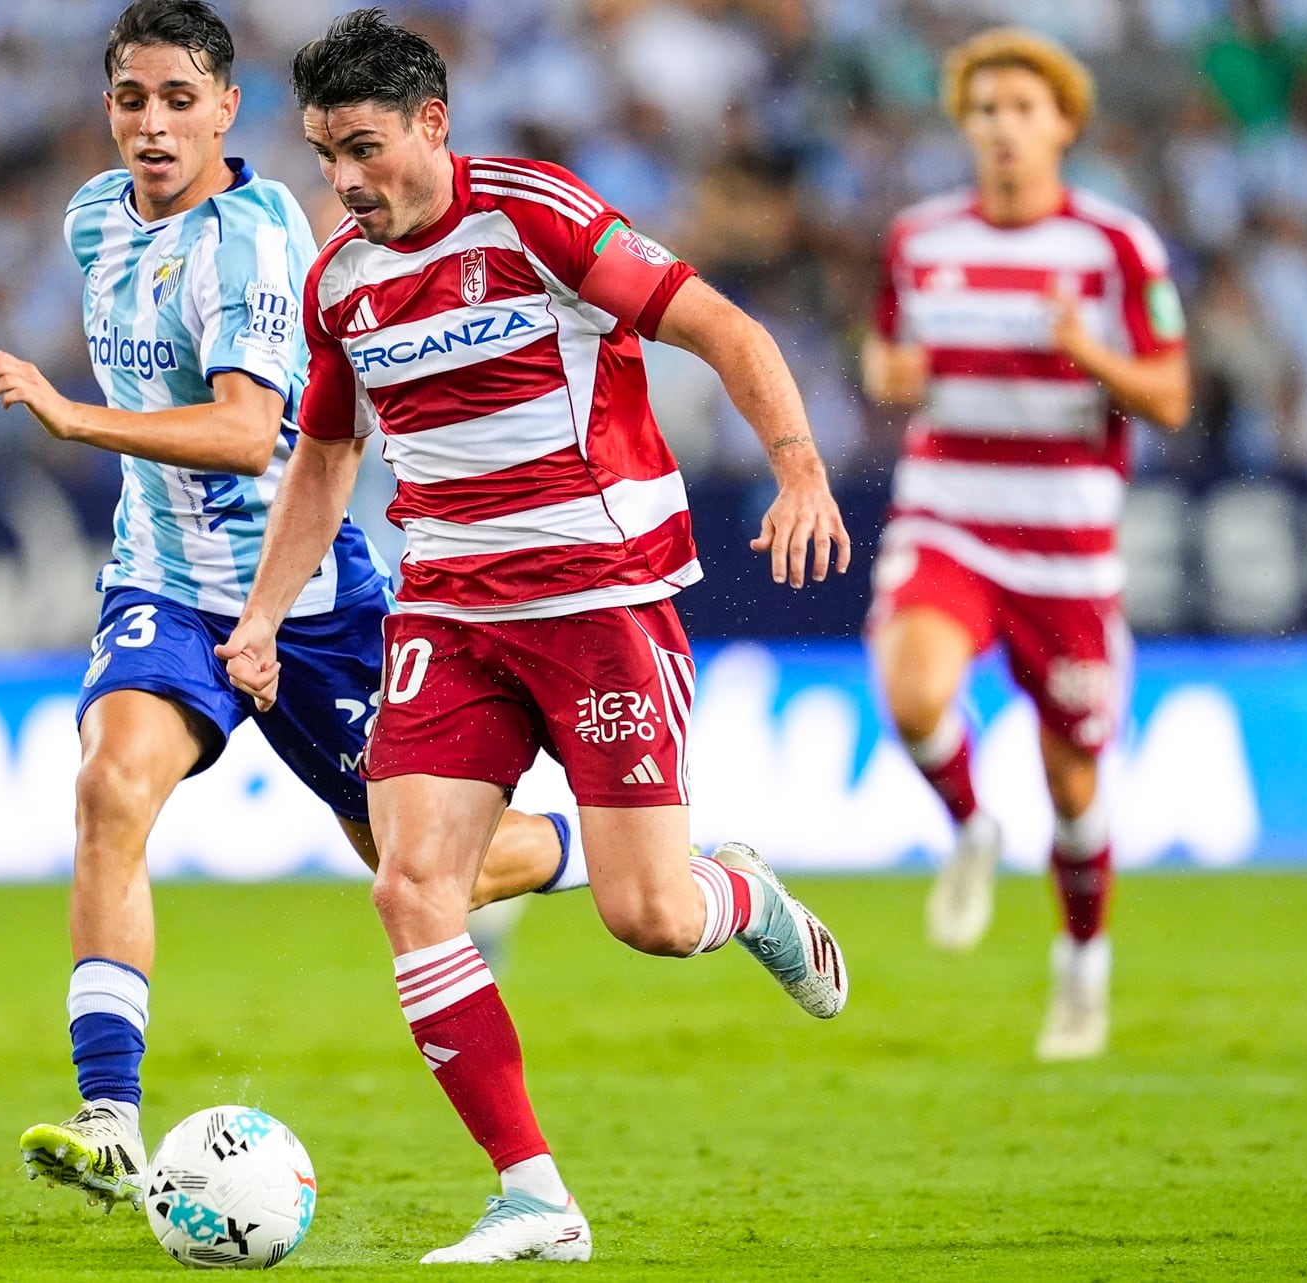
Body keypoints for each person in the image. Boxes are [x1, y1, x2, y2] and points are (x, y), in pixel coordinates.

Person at [217, 10, 852, 1263]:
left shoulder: (536, 216)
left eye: (364, 147)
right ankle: (532, 1194)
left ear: (431, 126)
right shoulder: (339, 278)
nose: (345, 180)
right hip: (449, 613)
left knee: (651, 916)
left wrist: (798, 468)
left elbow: (724, 327)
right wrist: (260, 614)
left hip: (601, 601)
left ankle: (744, 893)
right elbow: (327, 458)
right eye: (324, 153)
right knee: (408, 882)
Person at [0, 0, 582, 1213]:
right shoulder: (93, 217)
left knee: (420, 879)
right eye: (131, 100)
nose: (152, 125)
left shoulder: (254, 241)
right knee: (109, 783)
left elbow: (254, 436)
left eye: (178, 101)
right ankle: (110, 1115)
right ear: (109, 106)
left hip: (303, 595)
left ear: (225, 111)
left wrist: (70, 416)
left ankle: (606, 853)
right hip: (161, 580)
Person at [859, 28, 1191, 1061]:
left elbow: (1171, 395)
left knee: (1075, 786)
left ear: (1063, 127)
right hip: (948, 514)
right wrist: (887, 377)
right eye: (984, 109)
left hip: (1066, 548)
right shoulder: (918, 238)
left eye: (1021, 109)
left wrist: (1085, 351)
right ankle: (966, 822)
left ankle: (1081, 965)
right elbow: (883, 350)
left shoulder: (1115, 246)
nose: (1000, 127)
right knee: (912, 694)